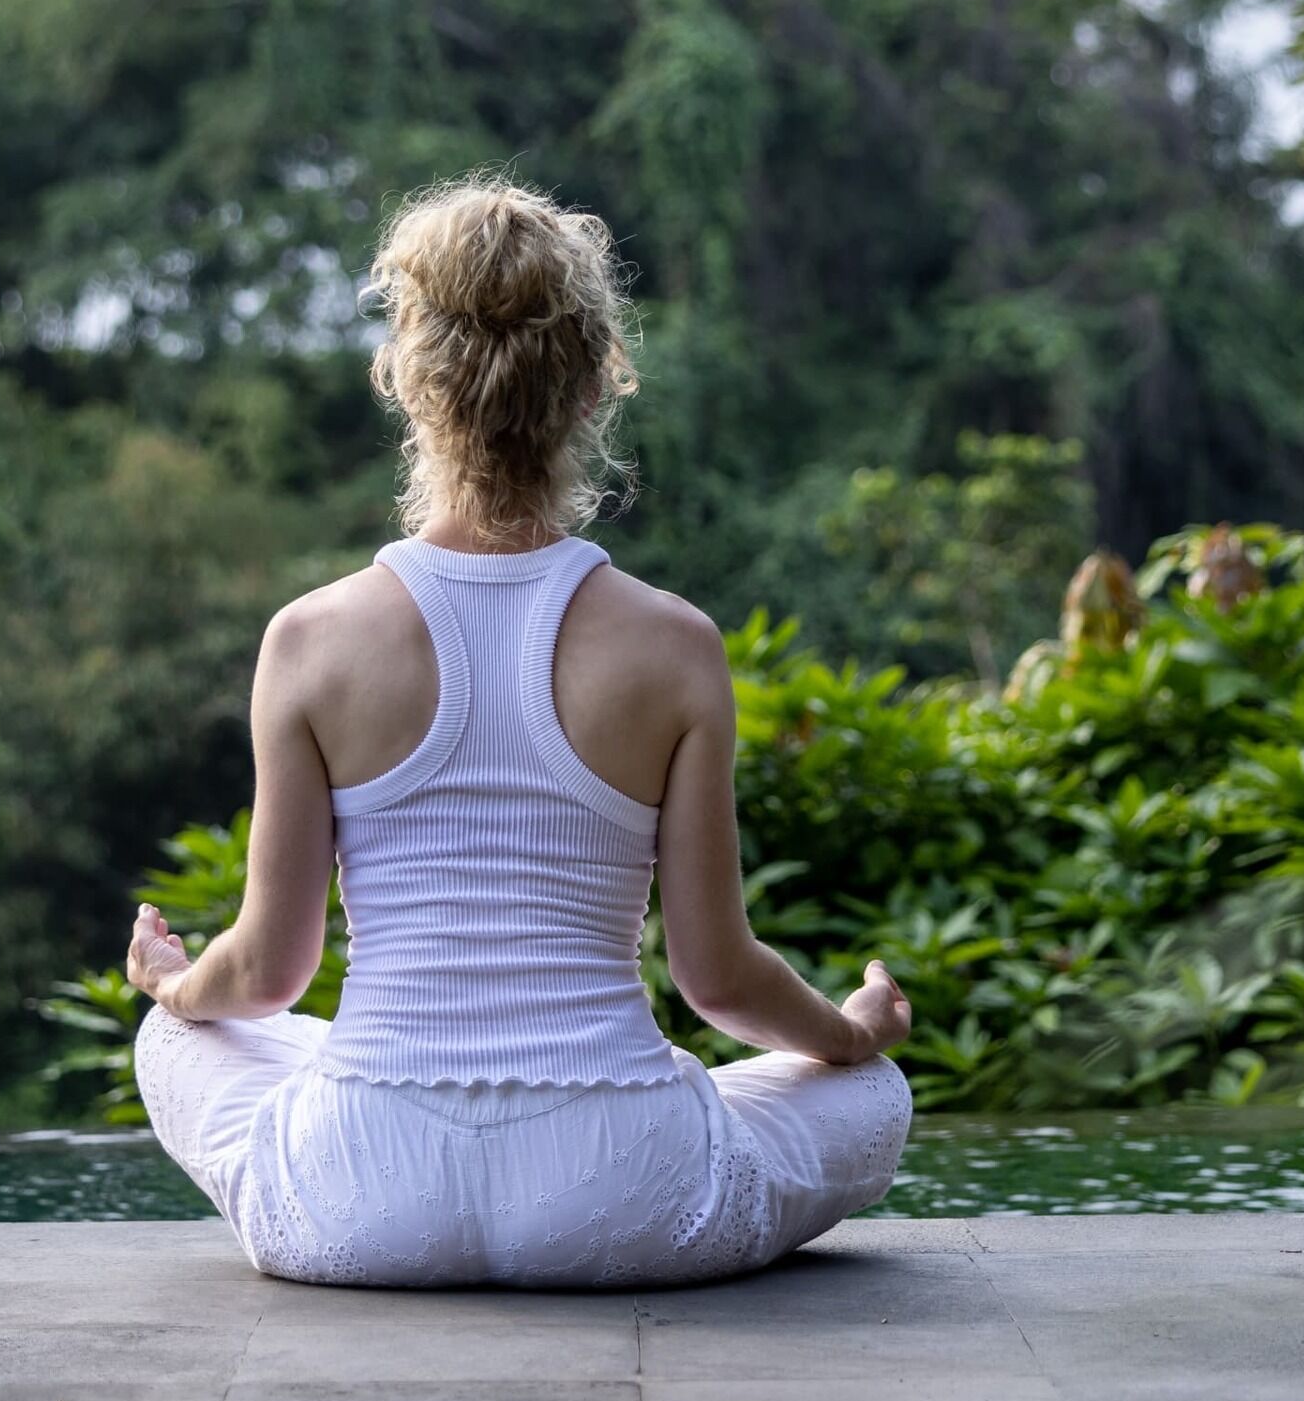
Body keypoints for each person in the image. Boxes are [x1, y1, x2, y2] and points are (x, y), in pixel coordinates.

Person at [125, 176, 914, 1288]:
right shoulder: (674, 644)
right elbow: (719, 978)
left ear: (406, 378)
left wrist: (172, 982)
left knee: (184, 1038)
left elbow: (264, 972)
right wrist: (851, 1031)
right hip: (624, 1194)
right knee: (867, 1091)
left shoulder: (308, 639)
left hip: (362, 1195)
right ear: (597, 385)